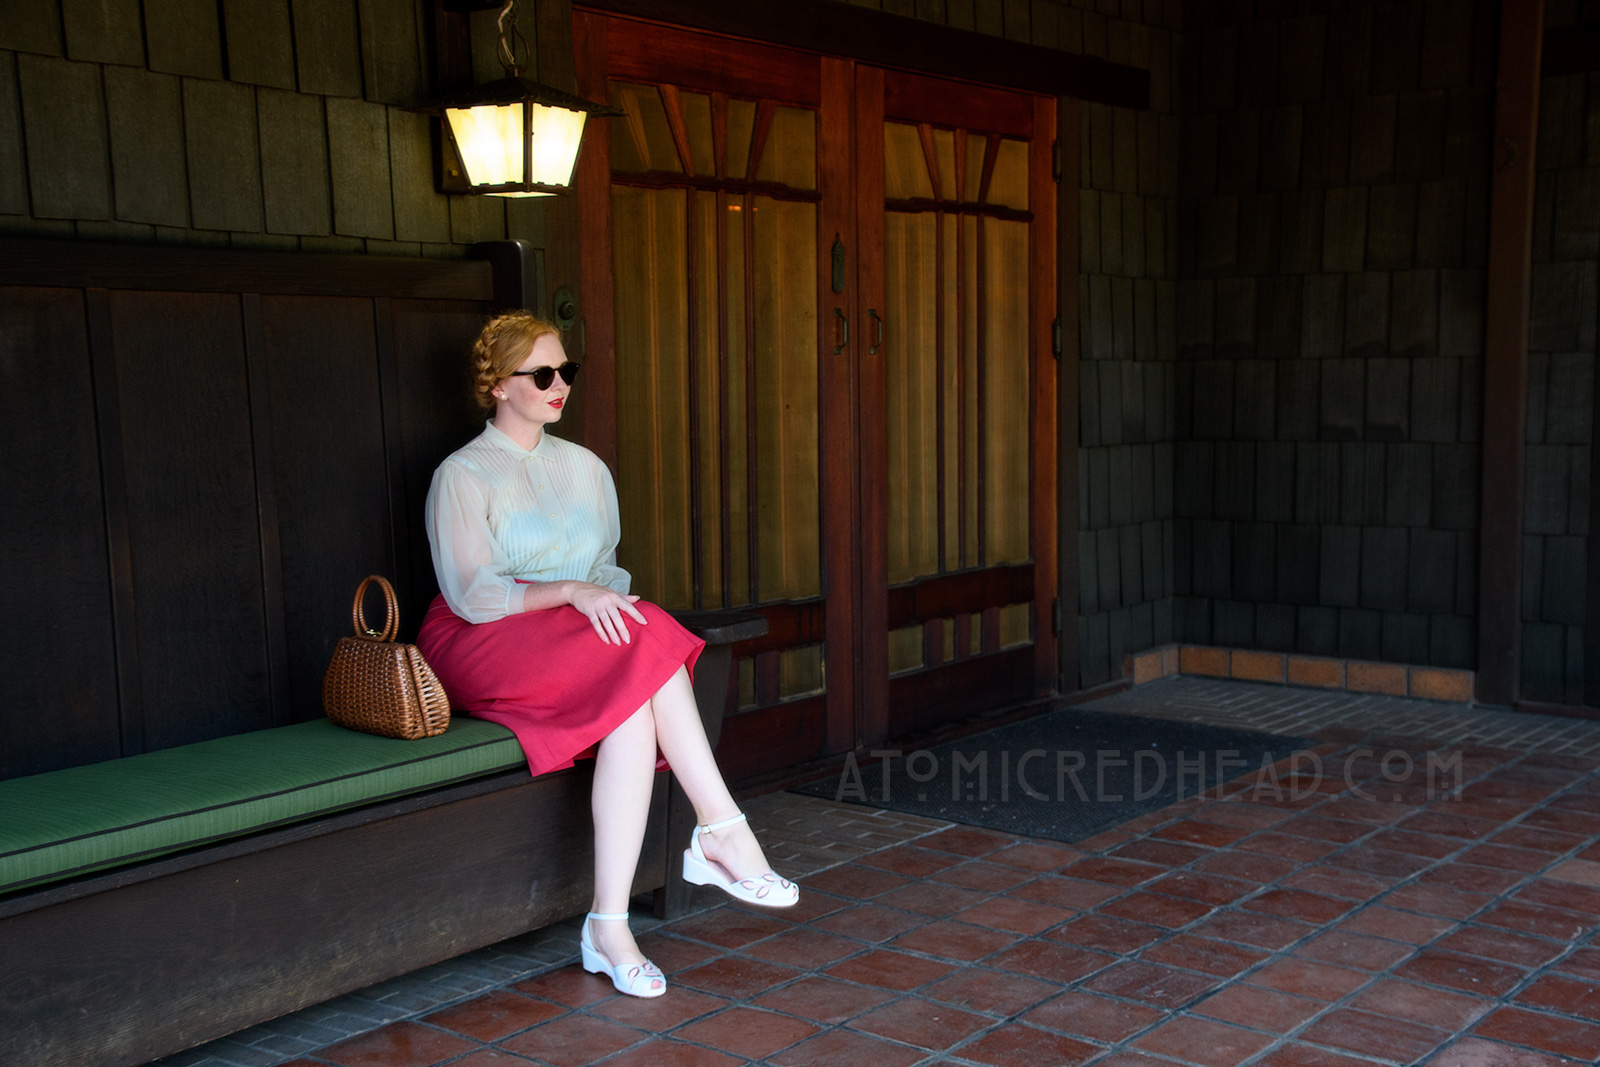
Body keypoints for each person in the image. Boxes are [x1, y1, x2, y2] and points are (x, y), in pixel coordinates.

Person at [417, 311, 797, 999]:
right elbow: (473, 591)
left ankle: (609, 925)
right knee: (645, 631)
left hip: (568, 634)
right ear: (500, 385)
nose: (560, 384)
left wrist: (586, 597)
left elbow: (605, 573)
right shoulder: (462, 474)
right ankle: (723, 830)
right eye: (542, 374)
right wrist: (570, 591)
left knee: (632, 695)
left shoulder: (586, 468)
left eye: (568, 370)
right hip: (480, 635)